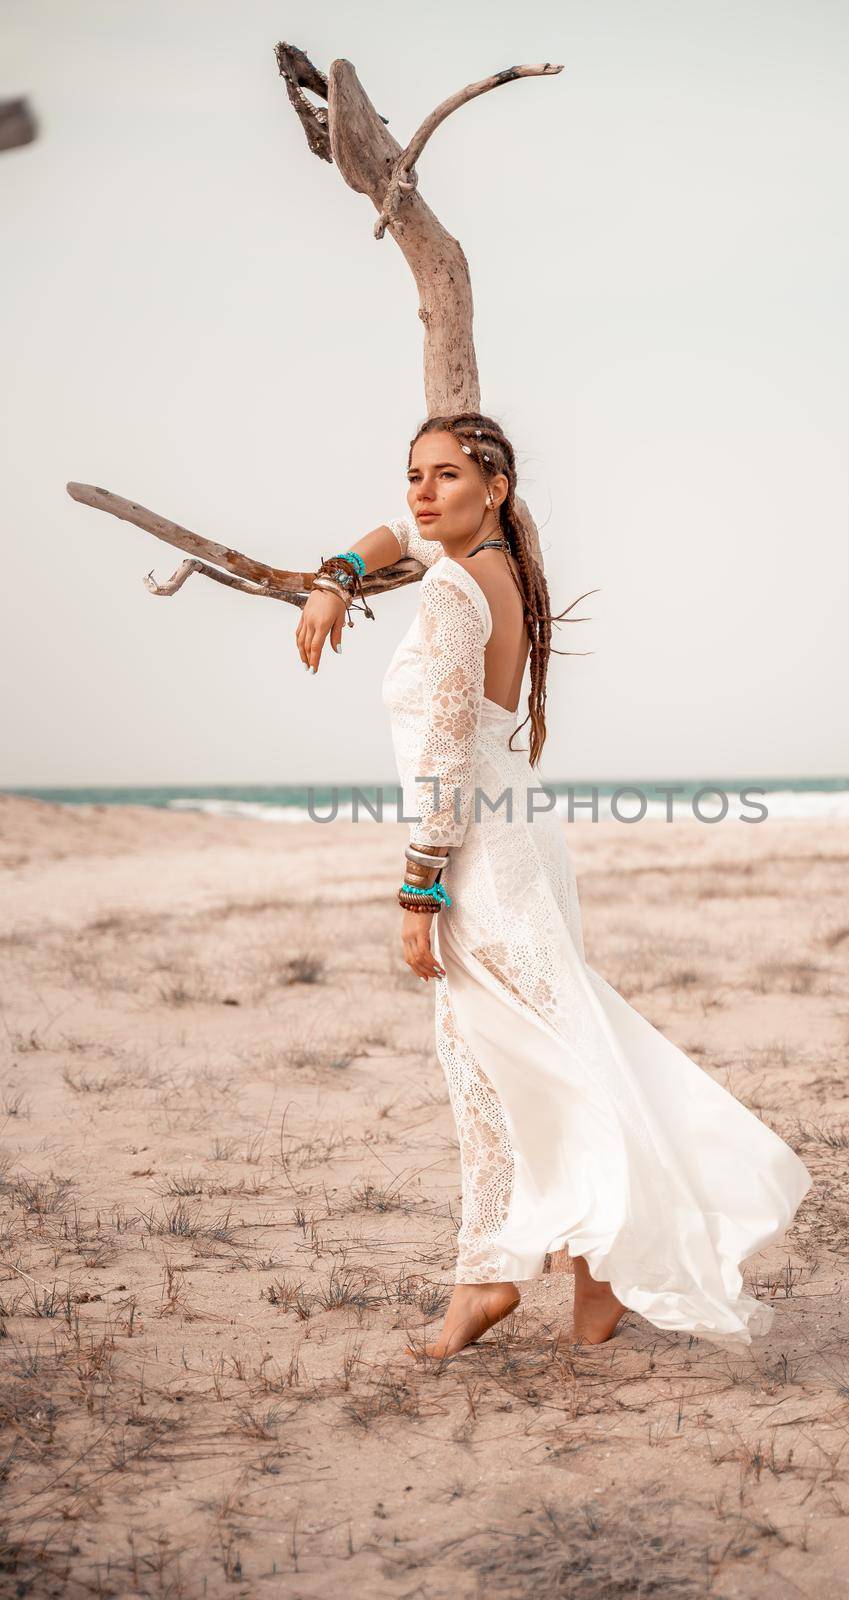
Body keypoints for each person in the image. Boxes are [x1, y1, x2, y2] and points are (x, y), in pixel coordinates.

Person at [296, 411, 812, 1360]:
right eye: (414, 472)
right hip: (517, 831)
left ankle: (492, 1281)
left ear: (491, 490)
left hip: (481, 849)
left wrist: (418, 892)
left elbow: (446, 755)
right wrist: (337, 578)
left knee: (498, 1061)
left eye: (444, 475)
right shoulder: (492, 565)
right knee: (537, 1050)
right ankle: (582, 1271)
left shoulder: (455, 591)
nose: (420, 491)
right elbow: (390, 535)